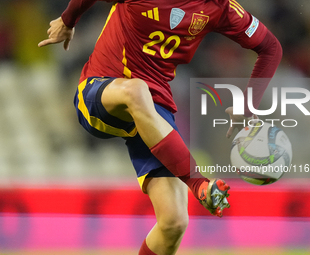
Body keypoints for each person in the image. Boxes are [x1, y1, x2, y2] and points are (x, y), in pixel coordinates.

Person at [38, 0, 282, 254]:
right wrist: (68, 20)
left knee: (174, 222)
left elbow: (270, 47)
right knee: (136, 90)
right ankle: (198, 183)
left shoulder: (220, 7)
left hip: (153, 109)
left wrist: (248, 105)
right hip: (102, 90)